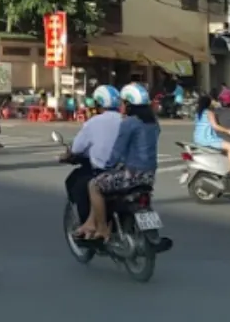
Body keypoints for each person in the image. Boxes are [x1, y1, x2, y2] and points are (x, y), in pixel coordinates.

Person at [74, 83, 160, 241]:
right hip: (149, 176)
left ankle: (102, 229)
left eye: (122, 102)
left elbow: (117, 151)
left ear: (128, 104)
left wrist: (107, 165)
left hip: (131, 175)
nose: (121, 105)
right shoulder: (153, 124)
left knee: (94, 185)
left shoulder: (129, 123)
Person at [61, 84, 123, 226]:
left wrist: (66, 156)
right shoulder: (127, 120)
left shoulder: (94, 122)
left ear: (98, 103)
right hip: (127, 170)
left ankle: (91, 225)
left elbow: (77, 148)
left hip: (104, 171)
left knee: (78, 183)